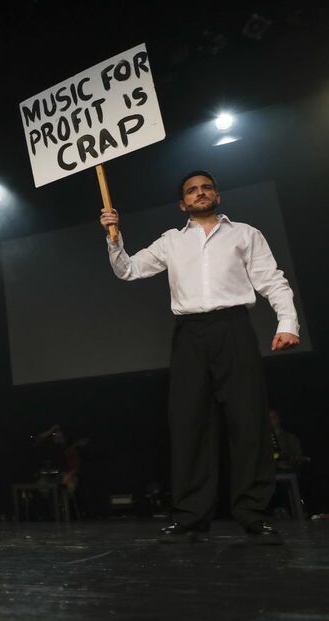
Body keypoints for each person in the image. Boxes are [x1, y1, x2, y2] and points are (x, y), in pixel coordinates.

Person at [100, 170, 300, 543]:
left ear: (217, 196)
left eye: (206, 188)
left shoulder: (245, 233)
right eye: (192, 190)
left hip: (233, 328)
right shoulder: (171, 241)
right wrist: (114, 237)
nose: (200, 193)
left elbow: (272, 280)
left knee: (248, 421)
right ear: (183, 203)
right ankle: (191, 516)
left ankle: (254, 514)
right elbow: (128, 270)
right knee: (189, 423)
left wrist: (287, 322)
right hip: (190, 334)